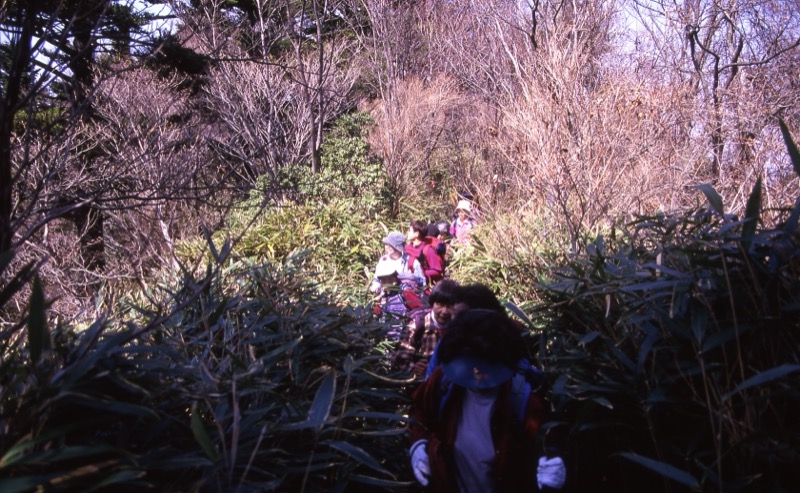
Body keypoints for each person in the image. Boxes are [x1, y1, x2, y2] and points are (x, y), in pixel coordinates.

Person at [408, 308, 567, 492]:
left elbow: (546, 445)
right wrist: (417, 444)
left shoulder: (522, 401)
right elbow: (419, 411)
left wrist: (554, 467)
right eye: (470, 367)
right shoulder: (443, 381)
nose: (478, 377)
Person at [391, 279, 461, 377]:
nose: (445, 311)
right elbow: (398, 358)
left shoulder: (458, 327)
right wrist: (413, 368)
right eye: (440, 305)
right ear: (432, 303)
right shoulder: (418, 325)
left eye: (450, 306)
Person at [369, 231, 425, 328]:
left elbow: (422, 283)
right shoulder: (383, 261)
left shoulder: (411, 262)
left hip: (406, 305)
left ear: (397, 247)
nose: (386, 247)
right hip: (385, 302)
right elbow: (376, 281)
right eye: (386, 244)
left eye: (389, 245)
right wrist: (376, 289)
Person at [405, 220, 444, 289]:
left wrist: (422, 273)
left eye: (410, 231)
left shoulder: (428, 250)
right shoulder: (407, 247)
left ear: (416, 234)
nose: (407, 232)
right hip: (409, 285)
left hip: (424, 287)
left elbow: (437, 271)